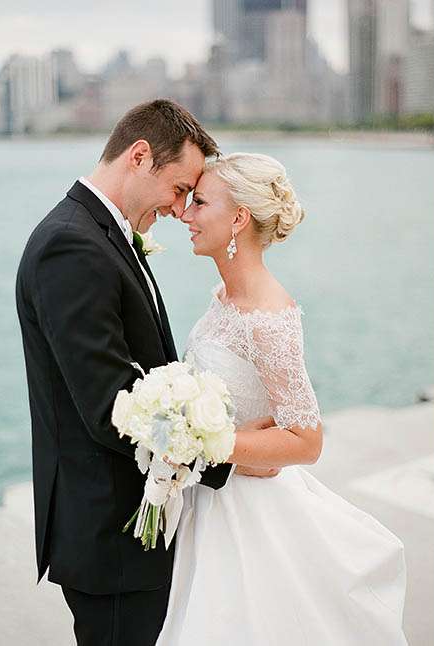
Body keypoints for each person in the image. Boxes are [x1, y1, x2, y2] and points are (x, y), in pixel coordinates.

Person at [15, 99, 266, 645]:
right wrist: (230, 452)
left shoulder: (99, 232)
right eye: (178, 189)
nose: (180, 210)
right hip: (110, 537)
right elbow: (113, 406)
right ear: (139, 155)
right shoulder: (71, 246)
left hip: (131, 529)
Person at [155, 152, 407, 645]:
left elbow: (307, 440)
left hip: (248, 514)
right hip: (208, 503)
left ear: (239, 218)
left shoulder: (269, 316)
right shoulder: (224, 298)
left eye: (199, 202)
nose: (184, 214)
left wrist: (205, 442)